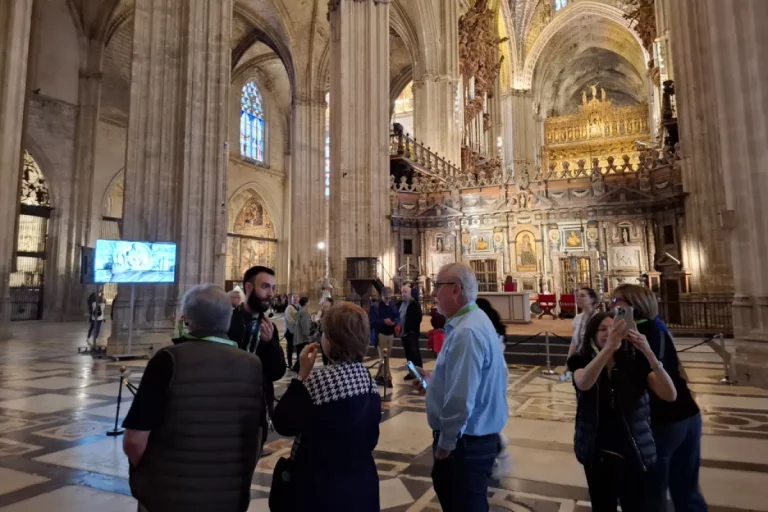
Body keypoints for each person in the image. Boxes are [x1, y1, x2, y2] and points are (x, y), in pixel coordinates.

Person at [123, 284, 264, 512]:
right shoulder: (253, 364)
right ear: (228, 318)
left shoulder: (167, 359)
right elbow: (256, 437)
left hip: (168, 497)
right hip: (227, 498)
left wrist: (152, 474)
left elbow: (134, 441)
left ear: (187, 318)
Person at [270, 302, 381, 511]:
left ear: (332, 340)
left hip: (319, 488)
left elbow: (282, 423)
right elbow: (372, 436)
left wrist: (302, 375)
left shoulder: (319, 380)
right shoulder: (367, 377)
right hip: (360, 483)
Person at [415, 263, 508, 511]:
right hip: (472, 442)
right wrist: (435, 382)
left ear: (455, 290)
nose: (433, 293)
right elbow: (471, 381)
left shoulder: (467, 332)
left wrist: (445, 446)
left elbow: (460, 399)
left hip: (465, 446)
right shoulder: (474, 321)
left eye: (437, 286)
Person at [568, 312, 677, 511]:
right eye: (602, 329)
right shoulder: (580, 360)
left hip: (633, 448)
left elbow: (670, 394)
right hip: (596, 449)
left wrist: (650, 354)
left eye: (614, 328)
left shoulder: (635, 361)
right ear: (592, 334)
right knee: (602, 504)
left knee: (635, 504)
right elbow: (584, 383)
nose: (609, 333)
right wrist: (609, 349)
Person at [611, 284, 707, 511]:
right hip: (688, 413)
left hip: (662, 419)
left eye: (616, 302)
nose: (612, 307)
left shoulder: (640, 333)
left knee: (653, 489)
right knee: (686, 486)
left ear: (633, 306)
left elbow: (651, 381)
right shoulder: (659, 326)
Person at [228, 266, 287, 447]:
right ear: (249, 287)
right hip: (227, 406)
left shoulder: (269, 327)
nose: (271, 293)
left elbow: (277, 372)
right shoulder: (228, 321)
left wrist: (270, 344)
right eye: (265, 287)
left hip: (257, 408)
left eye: (273, 288)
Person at [369, 287, 400, 387]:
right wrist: (383, 321)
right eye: (386, 298)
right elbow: (372, 321)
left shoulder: (392, 305)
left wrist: (395, 322)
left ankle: (379, 377)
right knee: (384, 357)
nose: (388, 300)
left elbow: (397, 316)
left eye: (389, 298)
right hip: (380, 334)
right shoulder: (375, 306)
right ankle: (388, 378)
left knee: (386, 357)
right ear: (382, 296)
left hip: (390, 334)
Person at [399, 285, 423, 379]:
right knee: (408, 354)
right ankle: (412, 372)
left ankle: (419, 373)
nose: (404, 294)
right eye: (402, 292)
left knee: (415, 354)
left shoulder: (414, 304)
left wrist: (411, 328)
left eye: (406, 292)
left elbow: (418, 318)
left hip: (411, 333)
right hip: (403, 333)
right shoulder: (399, 303)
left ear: (410, 293)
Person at [569, 287, 599, 358]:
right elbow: (574, 341)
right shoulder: (577, 318)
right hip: (578, 357)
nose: (578, 298)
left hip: (593, 357)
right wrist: (569, 358)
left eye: (582, 296)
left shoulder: (598, 317)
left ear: (592, 299)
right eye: (577, 296)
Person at [291, 297, 313, 372]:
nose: (310, 302)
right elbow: (305, 326)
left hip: (298, 338)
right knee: (302, 356)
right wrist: (308, 336)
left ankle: (296, 368)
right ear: (306, 303)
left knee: (300, 355)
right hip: (302, 338)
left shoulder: (300, 311)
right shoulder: (304, 313)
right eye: (309, 301)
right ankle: (298, 370)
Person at [314, 297, 334, 366]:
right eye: (324, 301)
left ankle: (331, 363)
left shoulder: (333, 311)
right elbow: (316, 319)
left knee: (331, 349)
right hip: (323, 332)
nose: (324, 303)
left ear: (330, 303)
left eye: (326, 302)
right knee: (323, 349)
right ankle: (325, 363)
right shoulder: (322, 311)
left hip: (331, 332)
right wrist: (319, 319)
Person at [284, 294, 299, 368]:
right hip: (290, 331)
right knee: (290, 347)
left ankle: (297, 363)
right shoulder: (289, 308)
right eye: (294, 298)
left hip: (297, 331)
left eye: (297, 297)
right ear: (291, 299)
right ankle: (289, 363)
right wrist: (297, 324)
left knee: (297, 346)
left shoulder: (298, 307)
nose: (295, 299)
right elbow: (290, 320)